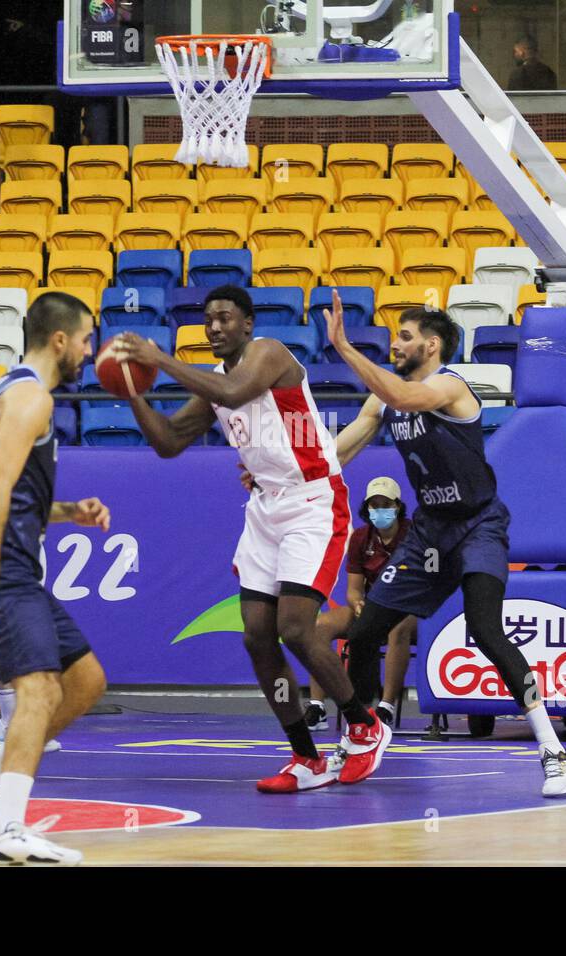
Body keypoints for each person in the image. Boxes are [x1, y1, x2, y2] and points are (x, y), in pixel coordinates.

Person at [112, 285, 393, 793]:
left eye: (224, 318)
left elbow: (234, 394)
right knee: (257, 636)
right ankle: (306, 757)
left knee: (296, 627)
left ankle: (364, 725)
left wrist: (158, 357)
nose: (215, 326)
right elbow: (169, 443)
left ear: (247, 323)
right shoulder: (215, 381)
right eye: (208, 319)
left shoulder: (269, 353)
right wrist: (132, 391)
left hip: (312, 502)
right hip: (265, 507)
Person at [323, 296, 566, 796]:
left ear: (432, 344)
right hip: (430, 531)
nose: (395, 343)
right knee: (364, 633)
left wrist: (344, 348)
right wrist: (291, 476)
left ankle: (555, 752)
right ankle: (364, 735)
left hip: (478, 525)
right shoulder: (384, 398)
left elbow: (405, 397)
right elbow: (346, 446)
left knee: (486, 629)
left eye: (404, 336)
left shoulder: (450, 386)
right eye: (394, 337)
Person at [0, 292, 109, 866]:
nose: (90, 351)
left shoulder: (8, 392)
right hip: (1, 561)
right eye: (86, 339)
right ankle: (3, 828)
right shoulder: (31, 397)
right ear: (60, 340)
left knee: (85, 681)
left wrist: (67, 512)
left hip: (2, 553)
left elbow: (6, 490)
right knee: (37, 688)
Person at [303, 477, 417, 732]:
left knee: (397, 629)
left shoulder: (415, 535)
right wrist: (358, 605)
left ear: (397, 506)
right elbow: (354, 590)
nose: (379, 510)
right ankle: (317, 707)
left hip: (409, 610)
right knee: (319, 626)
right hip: (372, 607)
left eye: (385, 504)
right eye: (374, 505)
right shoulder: (360, 538)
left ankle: (385, 707)